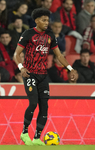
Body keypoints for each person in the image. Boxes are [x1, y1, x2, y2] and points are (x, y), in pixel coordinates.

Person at [13, 8, 77, 145]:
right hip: (29, 73)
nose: (46, 22)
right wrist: (21, 68)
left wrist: (70, 69)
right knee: (33, 103)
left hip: (43, 75)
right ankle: (24, 133)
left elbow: (59, 55)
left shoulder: (50, 36)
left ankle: (37, 138)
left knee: (44, 107)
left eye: (47, 20)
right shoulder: (28, 34)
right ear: (36, 21)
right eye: (43, 20)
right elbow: (16, 54)